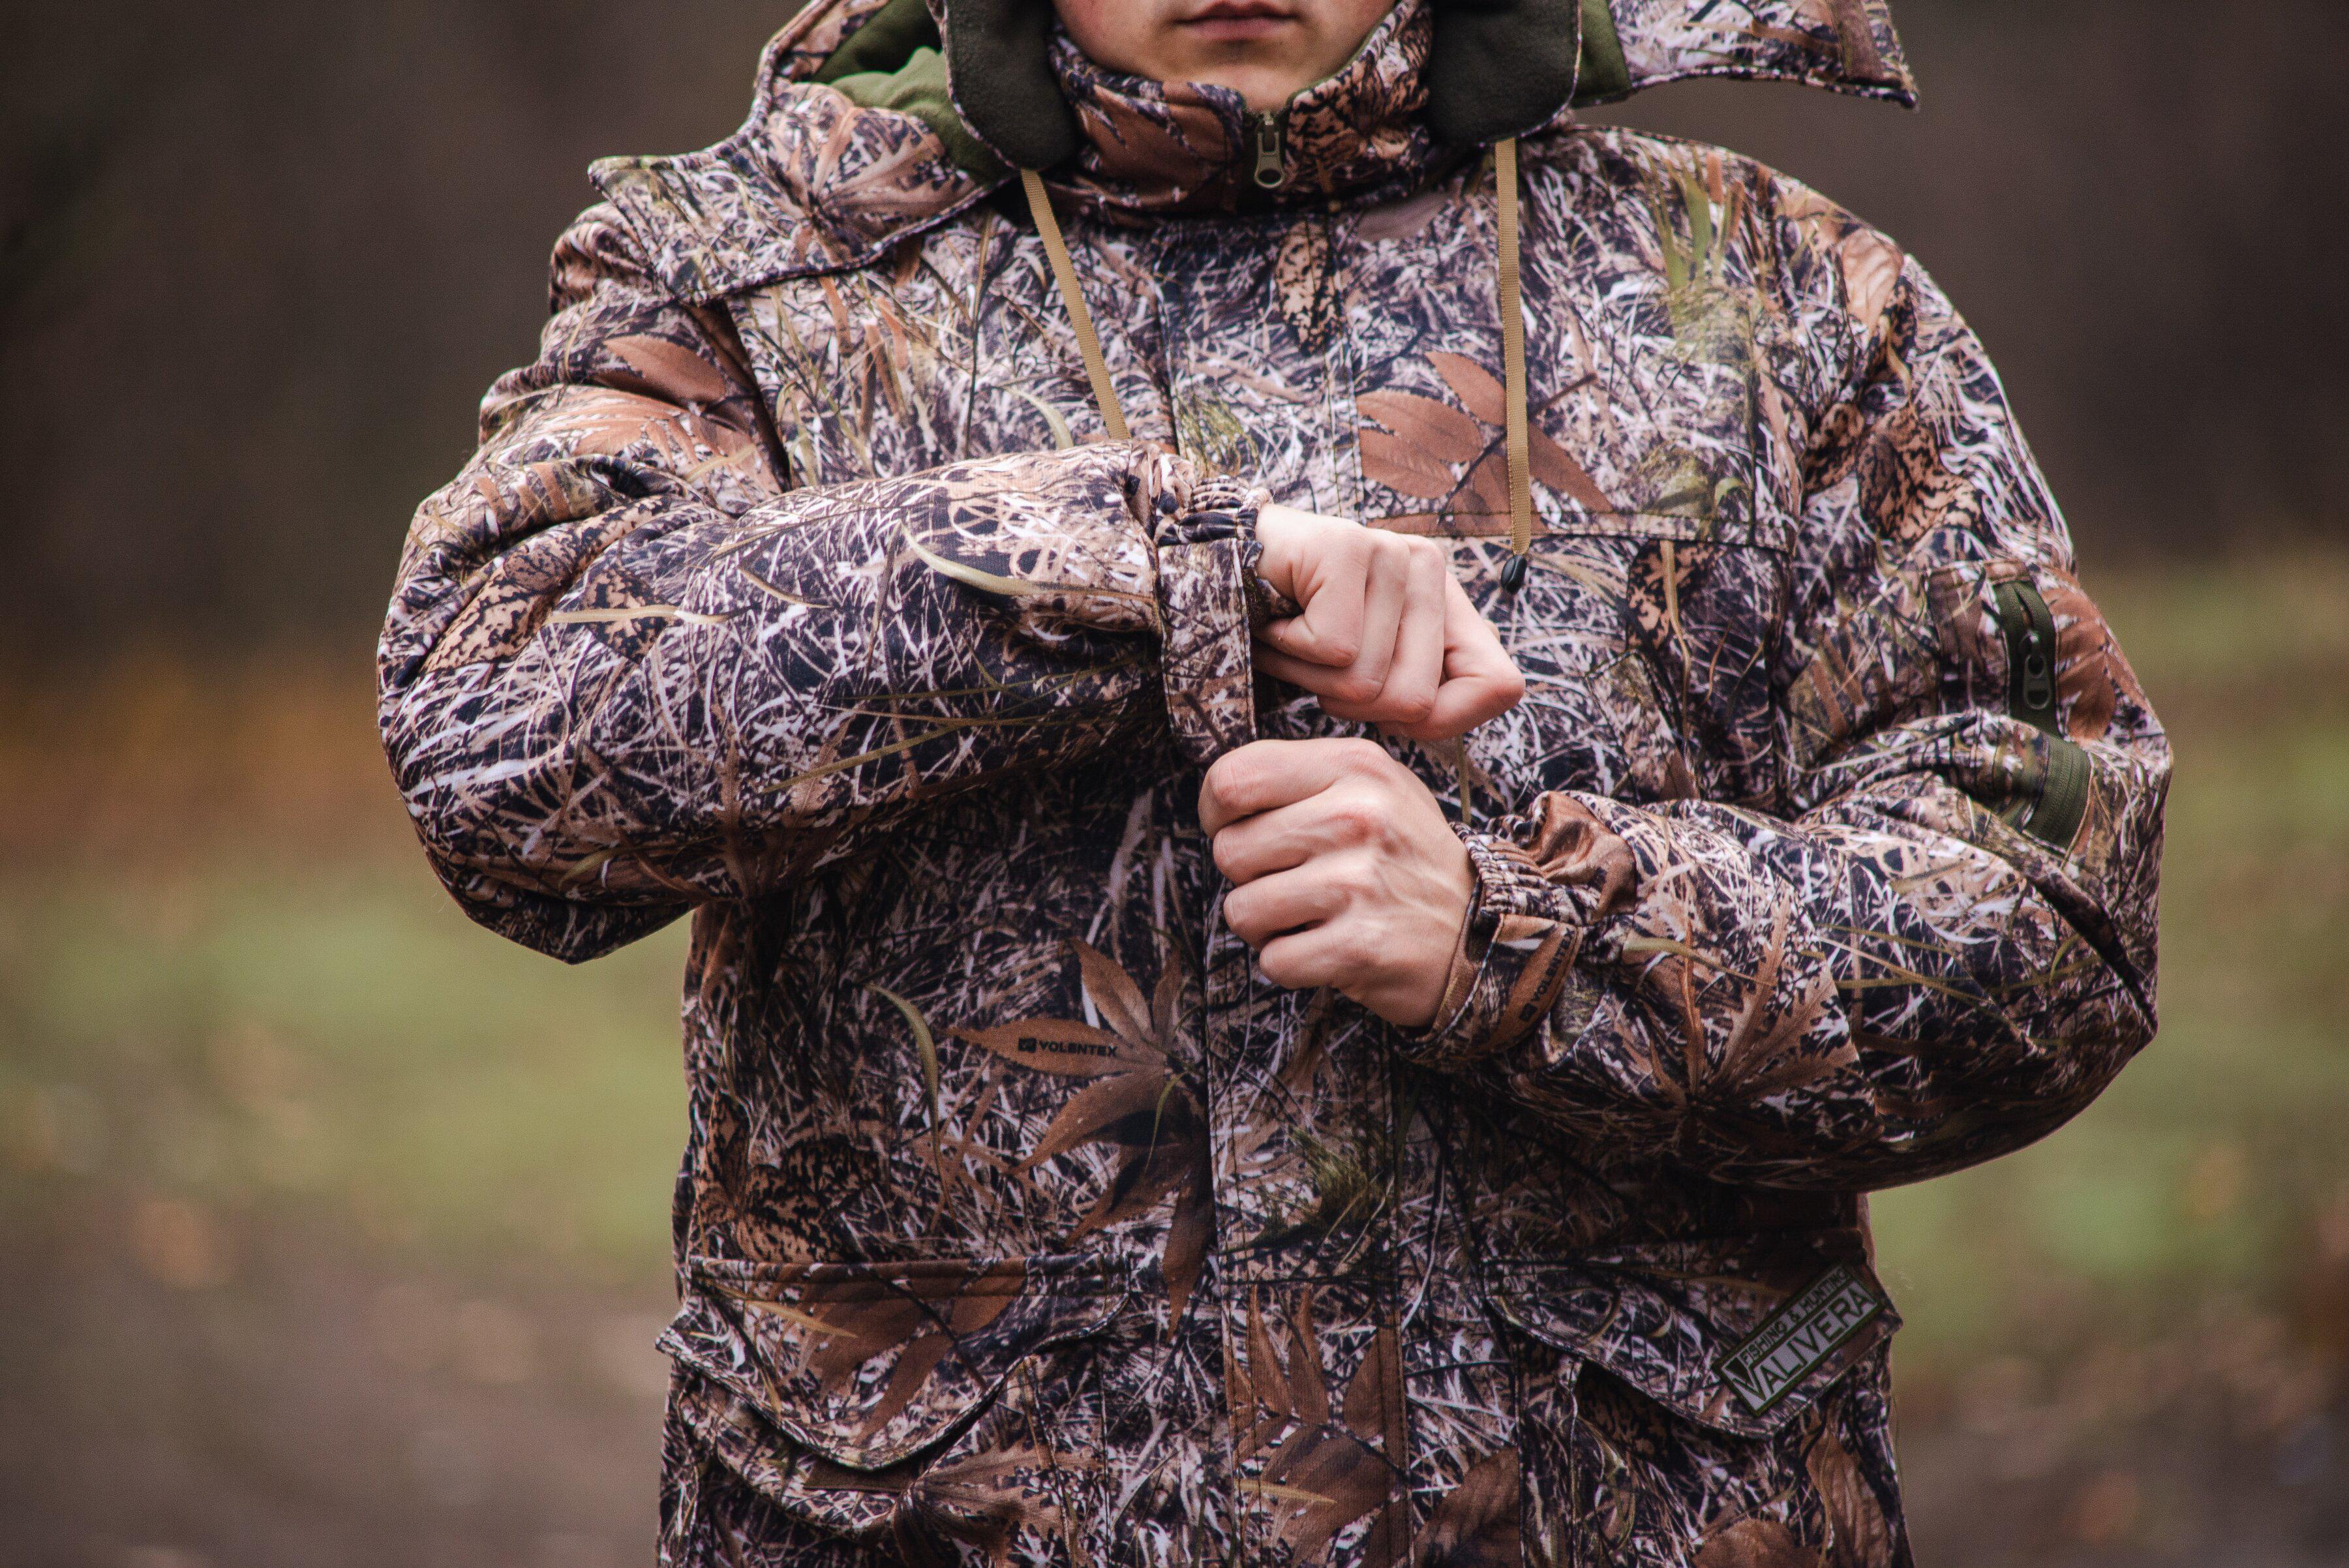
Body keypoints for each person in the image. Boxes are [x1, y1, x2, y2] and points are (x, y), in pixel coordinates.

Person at [377, 1, 2170, 1563]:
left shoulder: (1775, 302)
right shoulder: (749, 290)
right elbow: (497, 732)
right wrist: (1135, 571)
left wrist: (1522, 930)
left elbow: (2054, 907)